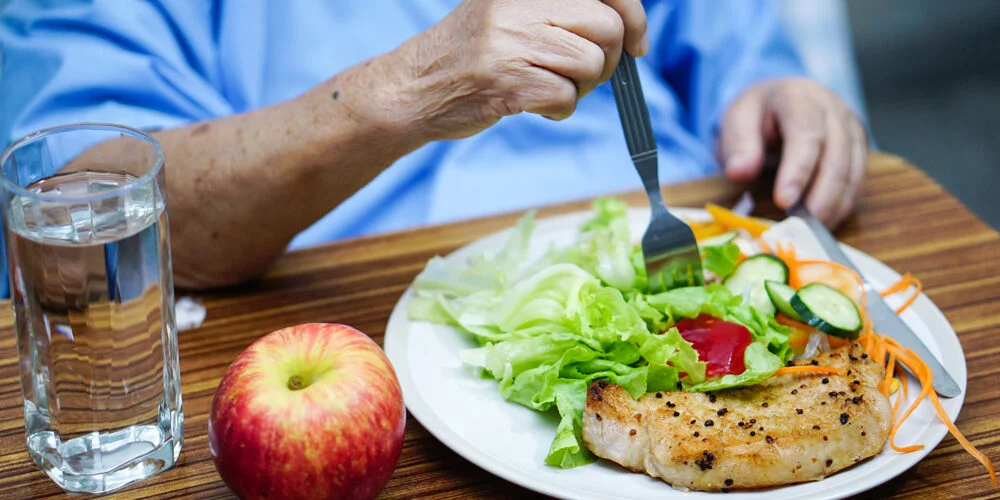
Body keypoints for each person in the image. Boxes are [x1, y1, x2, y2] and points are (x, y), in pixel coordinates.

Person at [0, 0, 868, 292]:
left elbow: (730, 46)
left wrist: (777, 96)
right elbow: (72, 233)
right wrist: (405, 91)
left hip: (700, 249)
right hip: (363, 325)